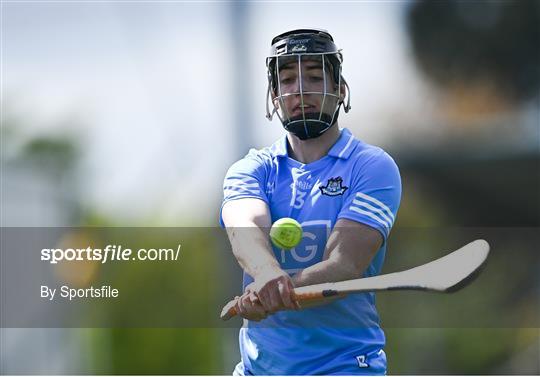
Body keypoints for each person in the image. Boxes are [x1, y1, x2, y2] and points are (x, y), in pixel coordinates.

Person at [220, 29, 401, 375]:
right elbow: (245, 229)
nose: (300, 90)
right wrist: (266, 273)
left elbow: (344, 264)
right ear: (274, 95)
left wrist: (271, 294)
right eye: (287, 79)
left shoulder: (372, 167)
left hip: (345, 366)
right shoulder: (251, 169)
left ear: (339, 90)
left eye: (315, 77)